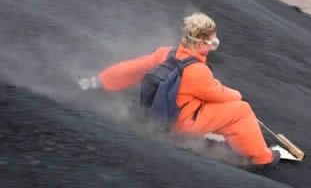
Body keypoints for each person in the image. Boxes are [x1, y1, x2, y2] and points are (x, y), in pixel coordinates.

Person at [79, 12, 280, 169]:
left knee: (218, 105)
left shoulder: (166, 53)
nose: (213, 47)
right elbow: (219, 94)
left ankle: (97, 82)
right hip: (181, 123)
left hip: (159, 113)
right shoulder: (197, 71)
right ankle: (262, 158)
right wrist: (237, 94)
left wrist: (99, 80)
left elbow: (132, 68)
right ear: (201, 43)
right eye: (214, 43)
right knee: (241, 110)